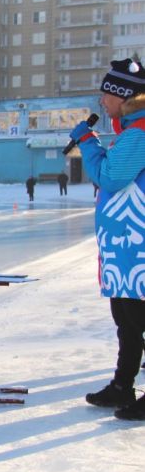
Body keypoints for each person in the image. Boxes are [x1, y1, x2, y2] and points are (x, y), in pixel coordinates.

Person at [73, 57, 145, 420]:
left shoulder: (140, 133)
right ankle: (122, 385)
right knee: (127, 319)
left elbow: (110, 178)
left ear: (123, 95)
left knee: (136, 319)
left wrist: (87, 142)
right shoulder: (132, 131)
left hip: (138, 249)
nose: (102, 102)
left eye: (106, 94)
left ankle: (127, 385)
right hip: (126, 250)